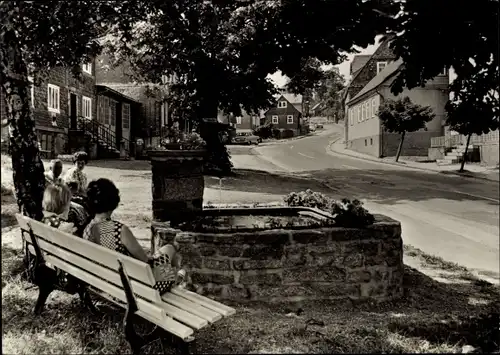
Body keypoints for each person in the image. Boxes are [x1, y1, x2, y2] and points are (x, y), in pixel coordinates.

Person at [83, 178, 184, 294]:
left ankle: (174, 277)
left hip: (106, 285)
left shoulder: (88, 229)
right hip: (135, 289)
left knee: (165, 253)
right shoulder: (120, 230)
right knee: (170, 249)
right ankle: (175, 279)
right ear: (113, 202)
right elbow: (145, 261)